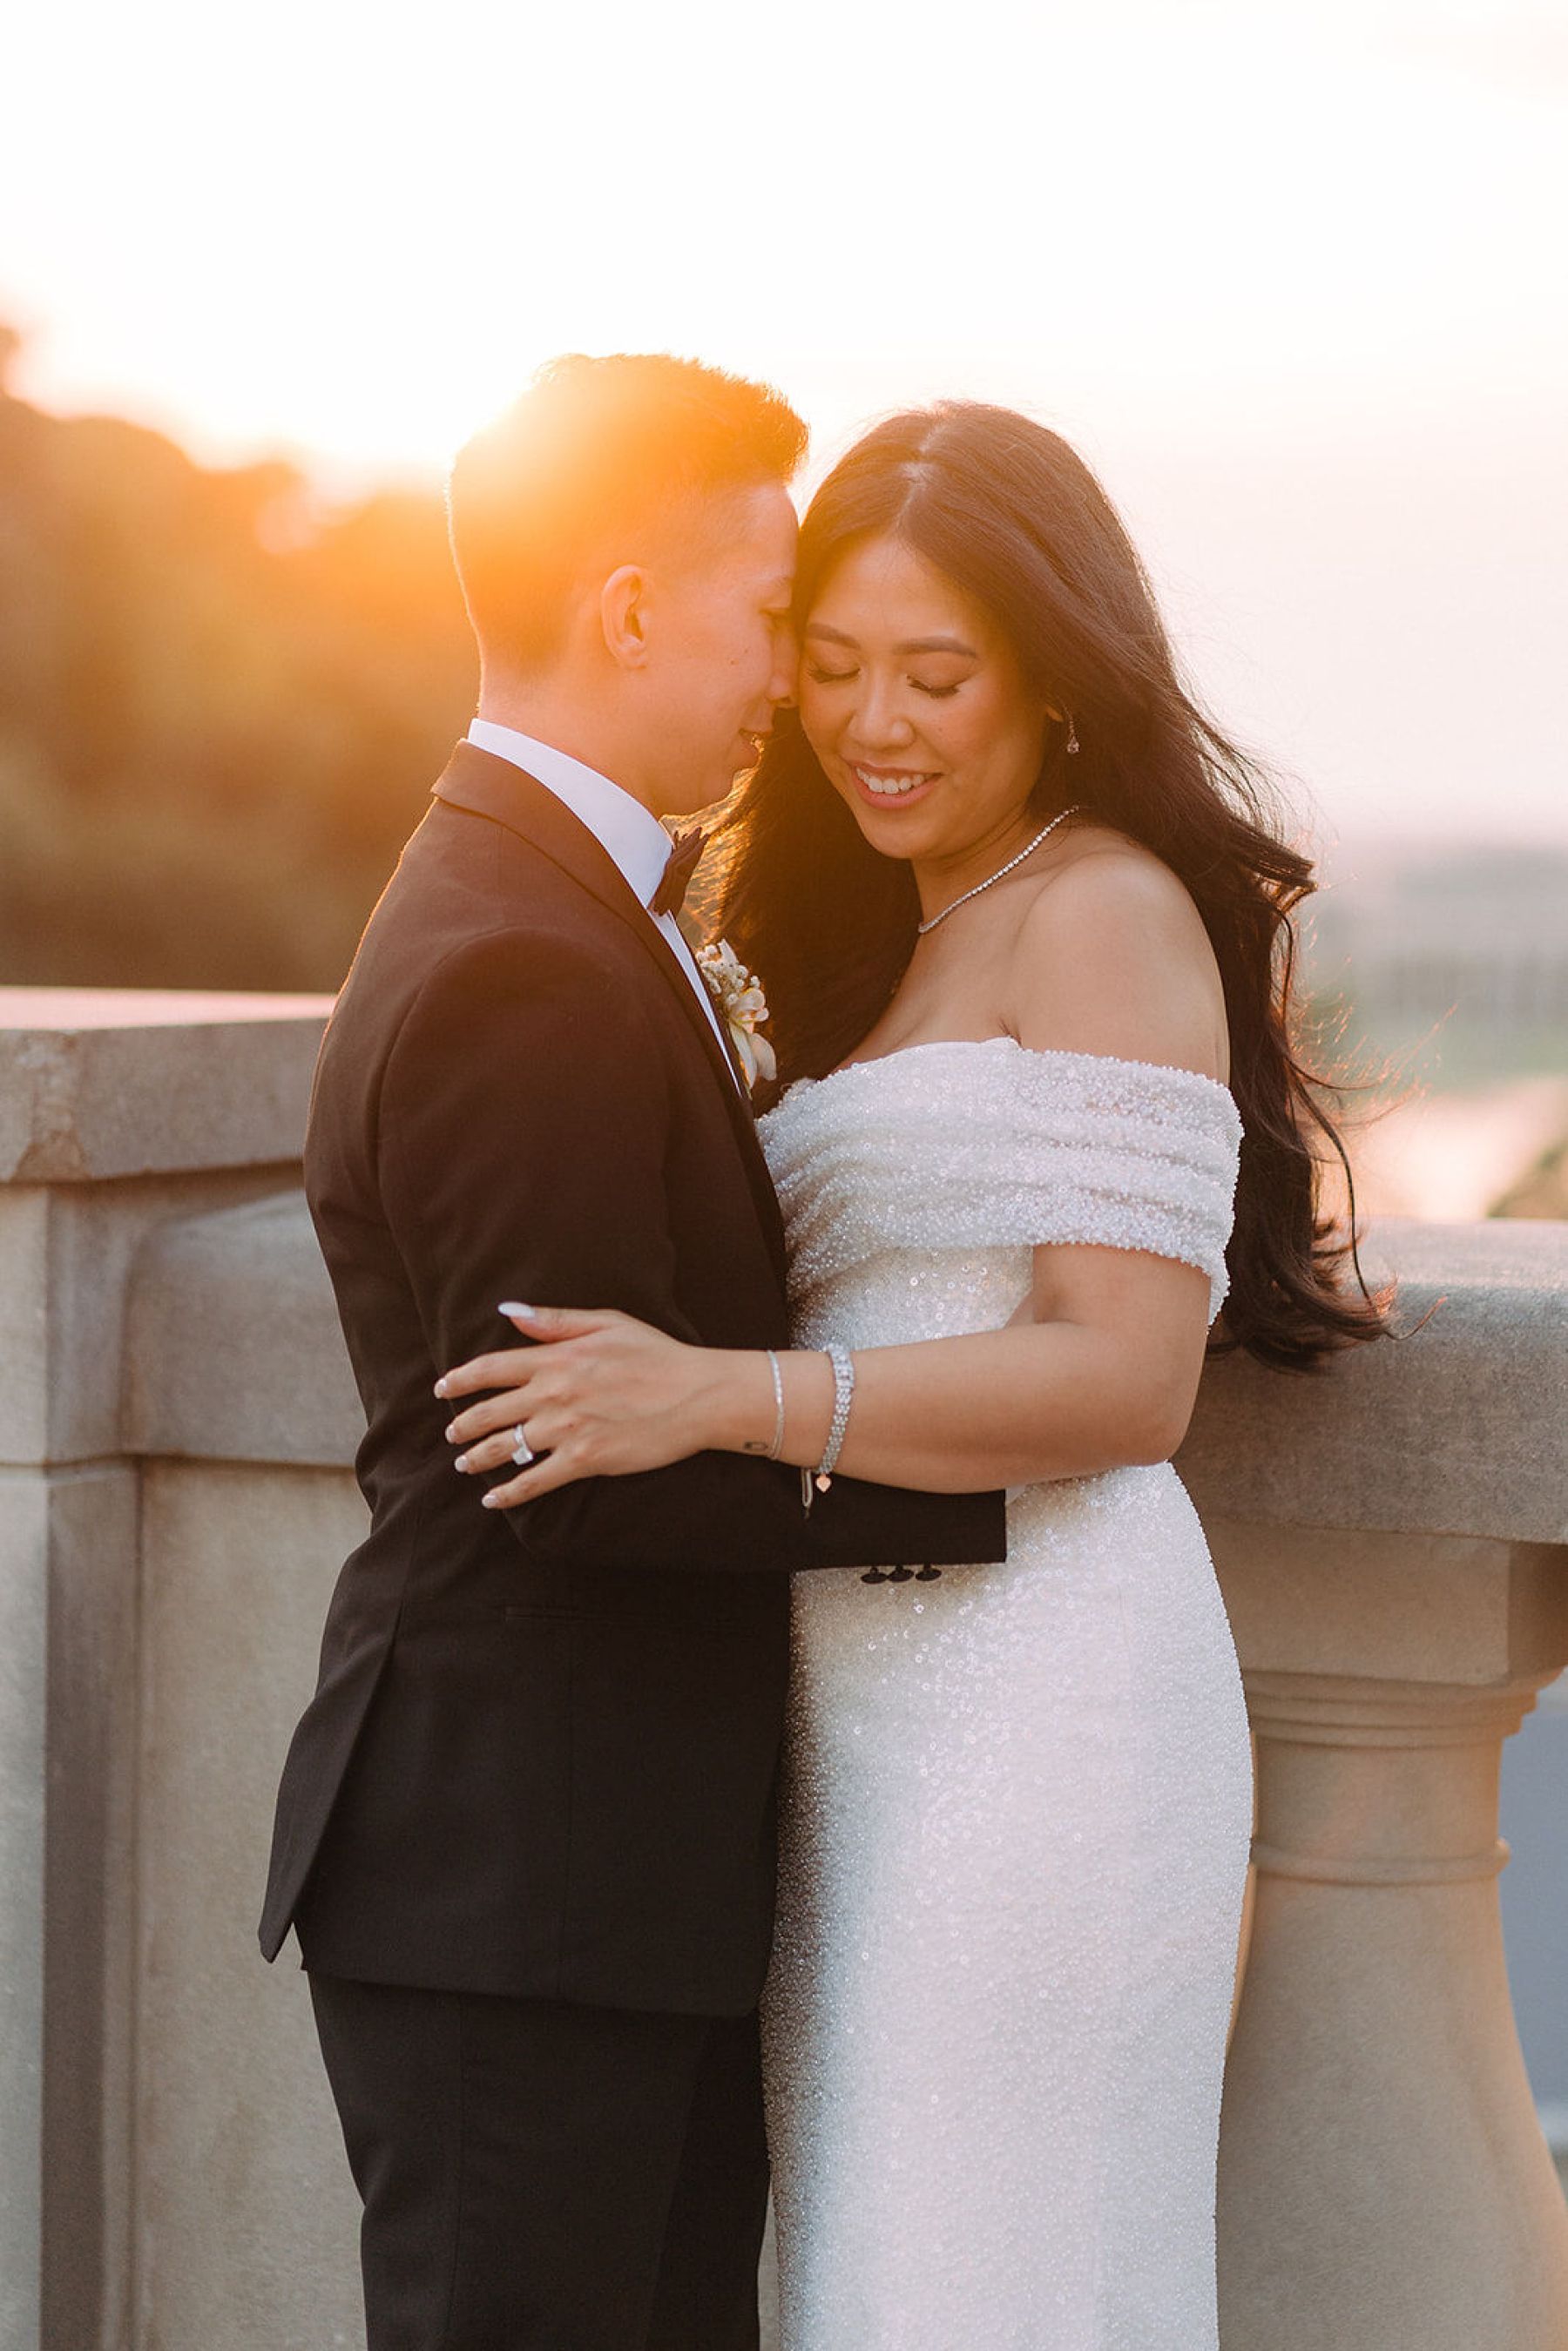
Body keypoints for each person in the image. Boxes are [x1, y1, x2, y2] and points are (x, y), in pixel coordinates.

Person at [436, 401, 1388, 2350]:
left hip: (1048, 1705)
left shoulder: (1107, 908)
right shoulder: (872, 923)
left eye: (936, 675)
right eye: (834, 665)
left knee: (989, 2278)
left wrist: (718, 1396)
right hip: (854, 1717)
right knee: (878, 2281)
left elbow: (1128, 1384)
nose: (875, 722)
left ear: (1050, 681)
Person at [258, 358, 1008, 2351]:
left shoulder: (563, 903)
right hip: (527, 1899)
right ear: (629, 607)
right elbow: (573, 1471)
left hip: (594, 1892)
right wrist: (998, 1482)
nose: (793, 672)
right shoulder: (523, 959)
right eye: (773, 614)